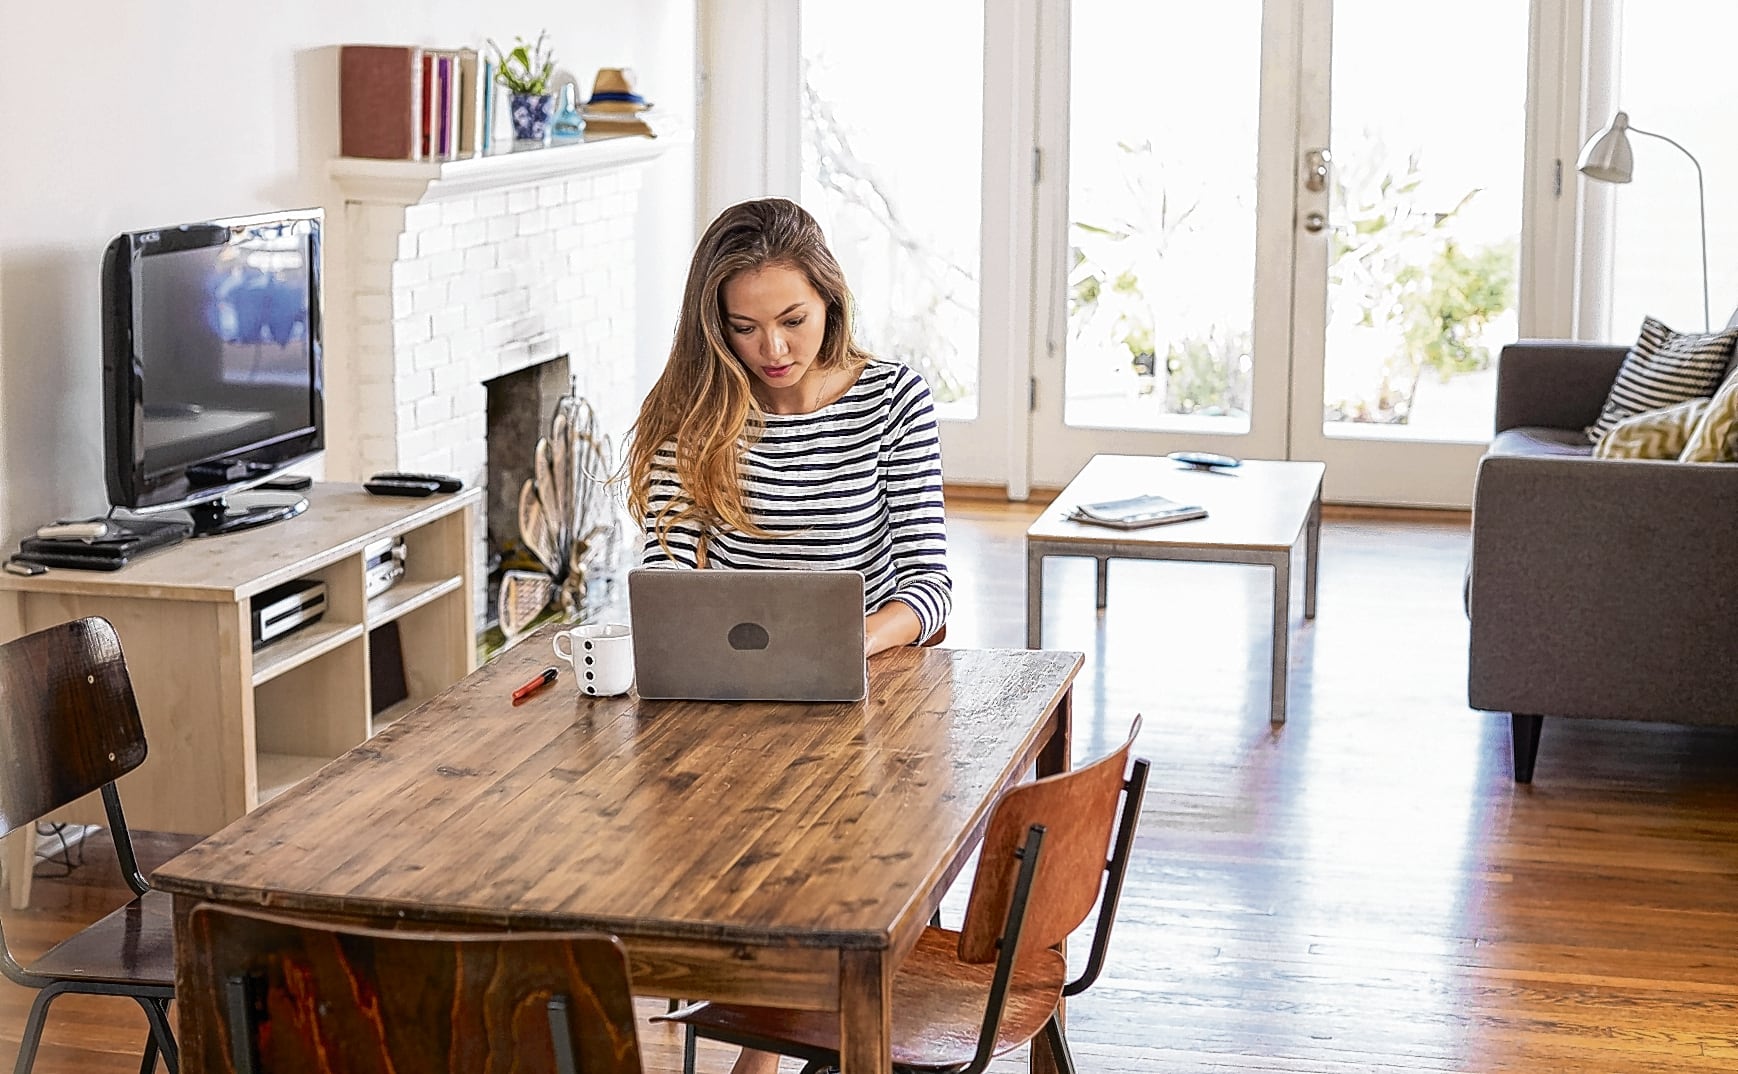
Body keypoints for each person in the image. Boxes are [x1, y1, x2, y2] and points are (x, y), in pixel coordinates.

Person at [627, 197, 951, 664]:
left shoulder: (894, 400)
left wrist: (852, 643)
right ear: (717, 327)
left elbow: (930, 586)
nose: (773, 349)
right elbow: (667, 578)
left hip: (863, 670)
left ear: (829, 301)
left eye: (793, 321)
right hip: (735, 669)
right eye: (744, 328)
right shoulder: (694, 415)